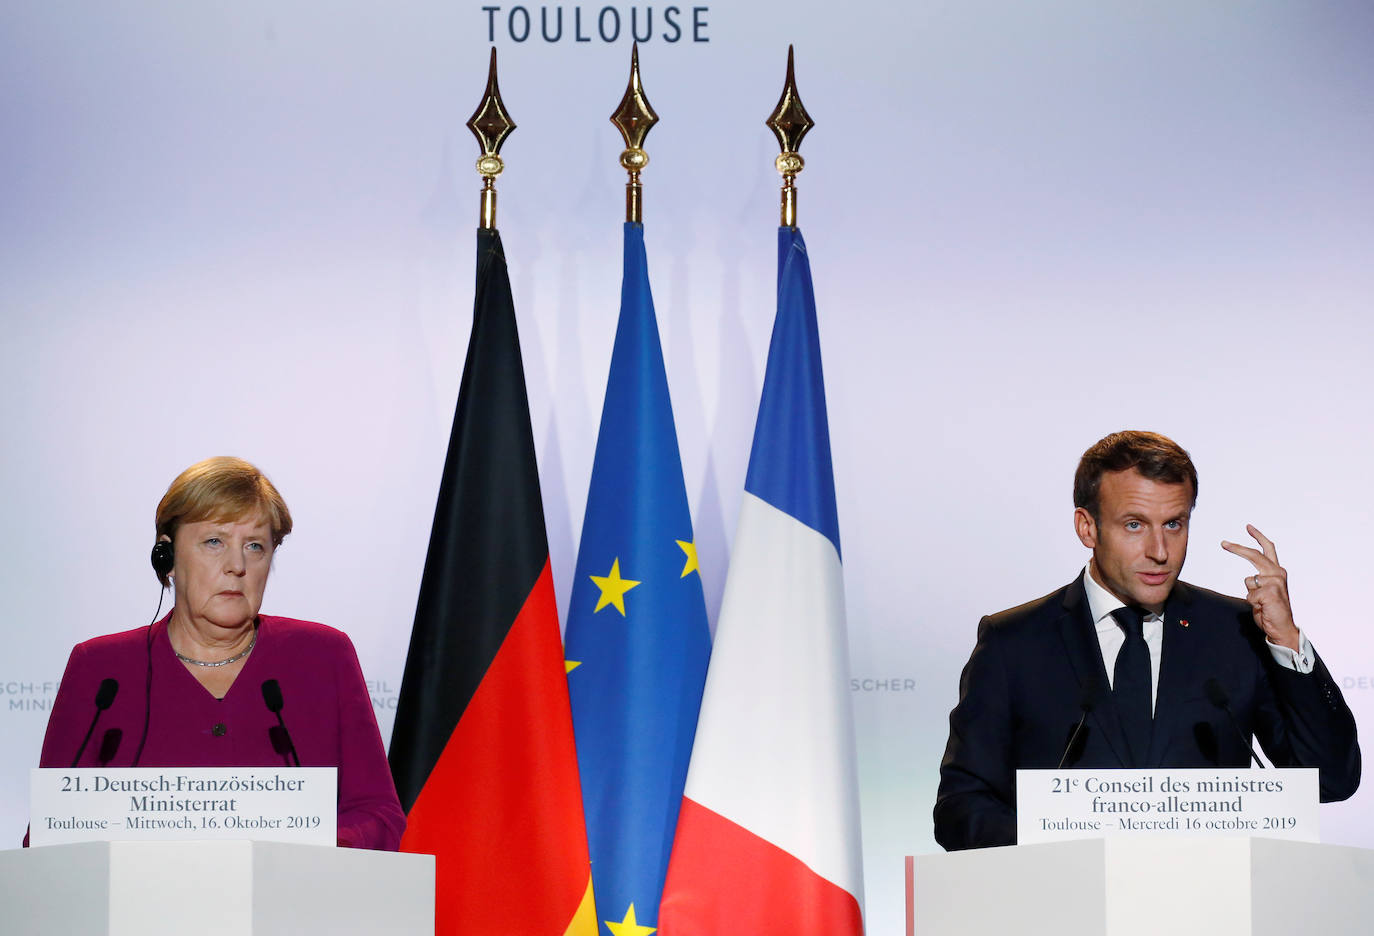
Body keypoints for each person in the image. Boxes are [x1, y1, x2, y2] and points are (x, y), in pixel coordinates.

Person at [934, 430, 1360, 851]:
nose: (1160, 551)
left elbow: (1329, 779)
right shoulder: (1015, 642)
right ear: (1087, 527)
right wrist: (1060, 849)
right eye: (1134, 524)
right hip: (1067, 909)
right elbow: (960, 808)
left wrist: (1286, 639)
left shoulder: (1235, 631)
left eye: (1174, 524)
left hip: (1212, 908)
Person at [35, 456, 405, 850]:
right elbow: (47, 833)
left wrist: (304, 849)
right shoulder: (100, 669)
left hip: (290, 902)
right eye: (215, 541)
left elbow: (379, 816)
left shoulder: (323, 657)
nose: (237, 566)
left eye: (255, 546)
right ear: (167, 557)